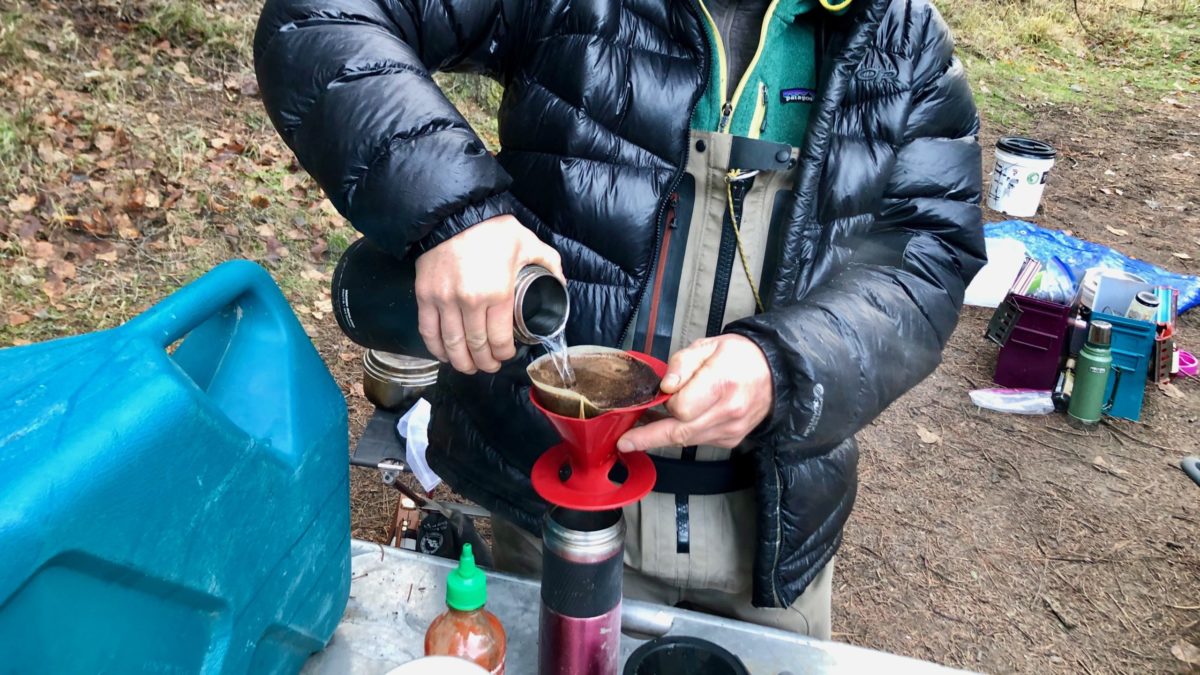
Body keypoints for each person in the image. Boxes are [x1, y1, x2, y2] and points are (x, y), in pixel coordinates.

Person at [255, 0, 985, 639]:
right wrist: (453, 212)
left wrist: (788, 365)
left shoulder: (904, 42)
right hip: (551, 512)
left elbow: (931, 255)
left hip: (774, 528)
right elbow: (321, 17)